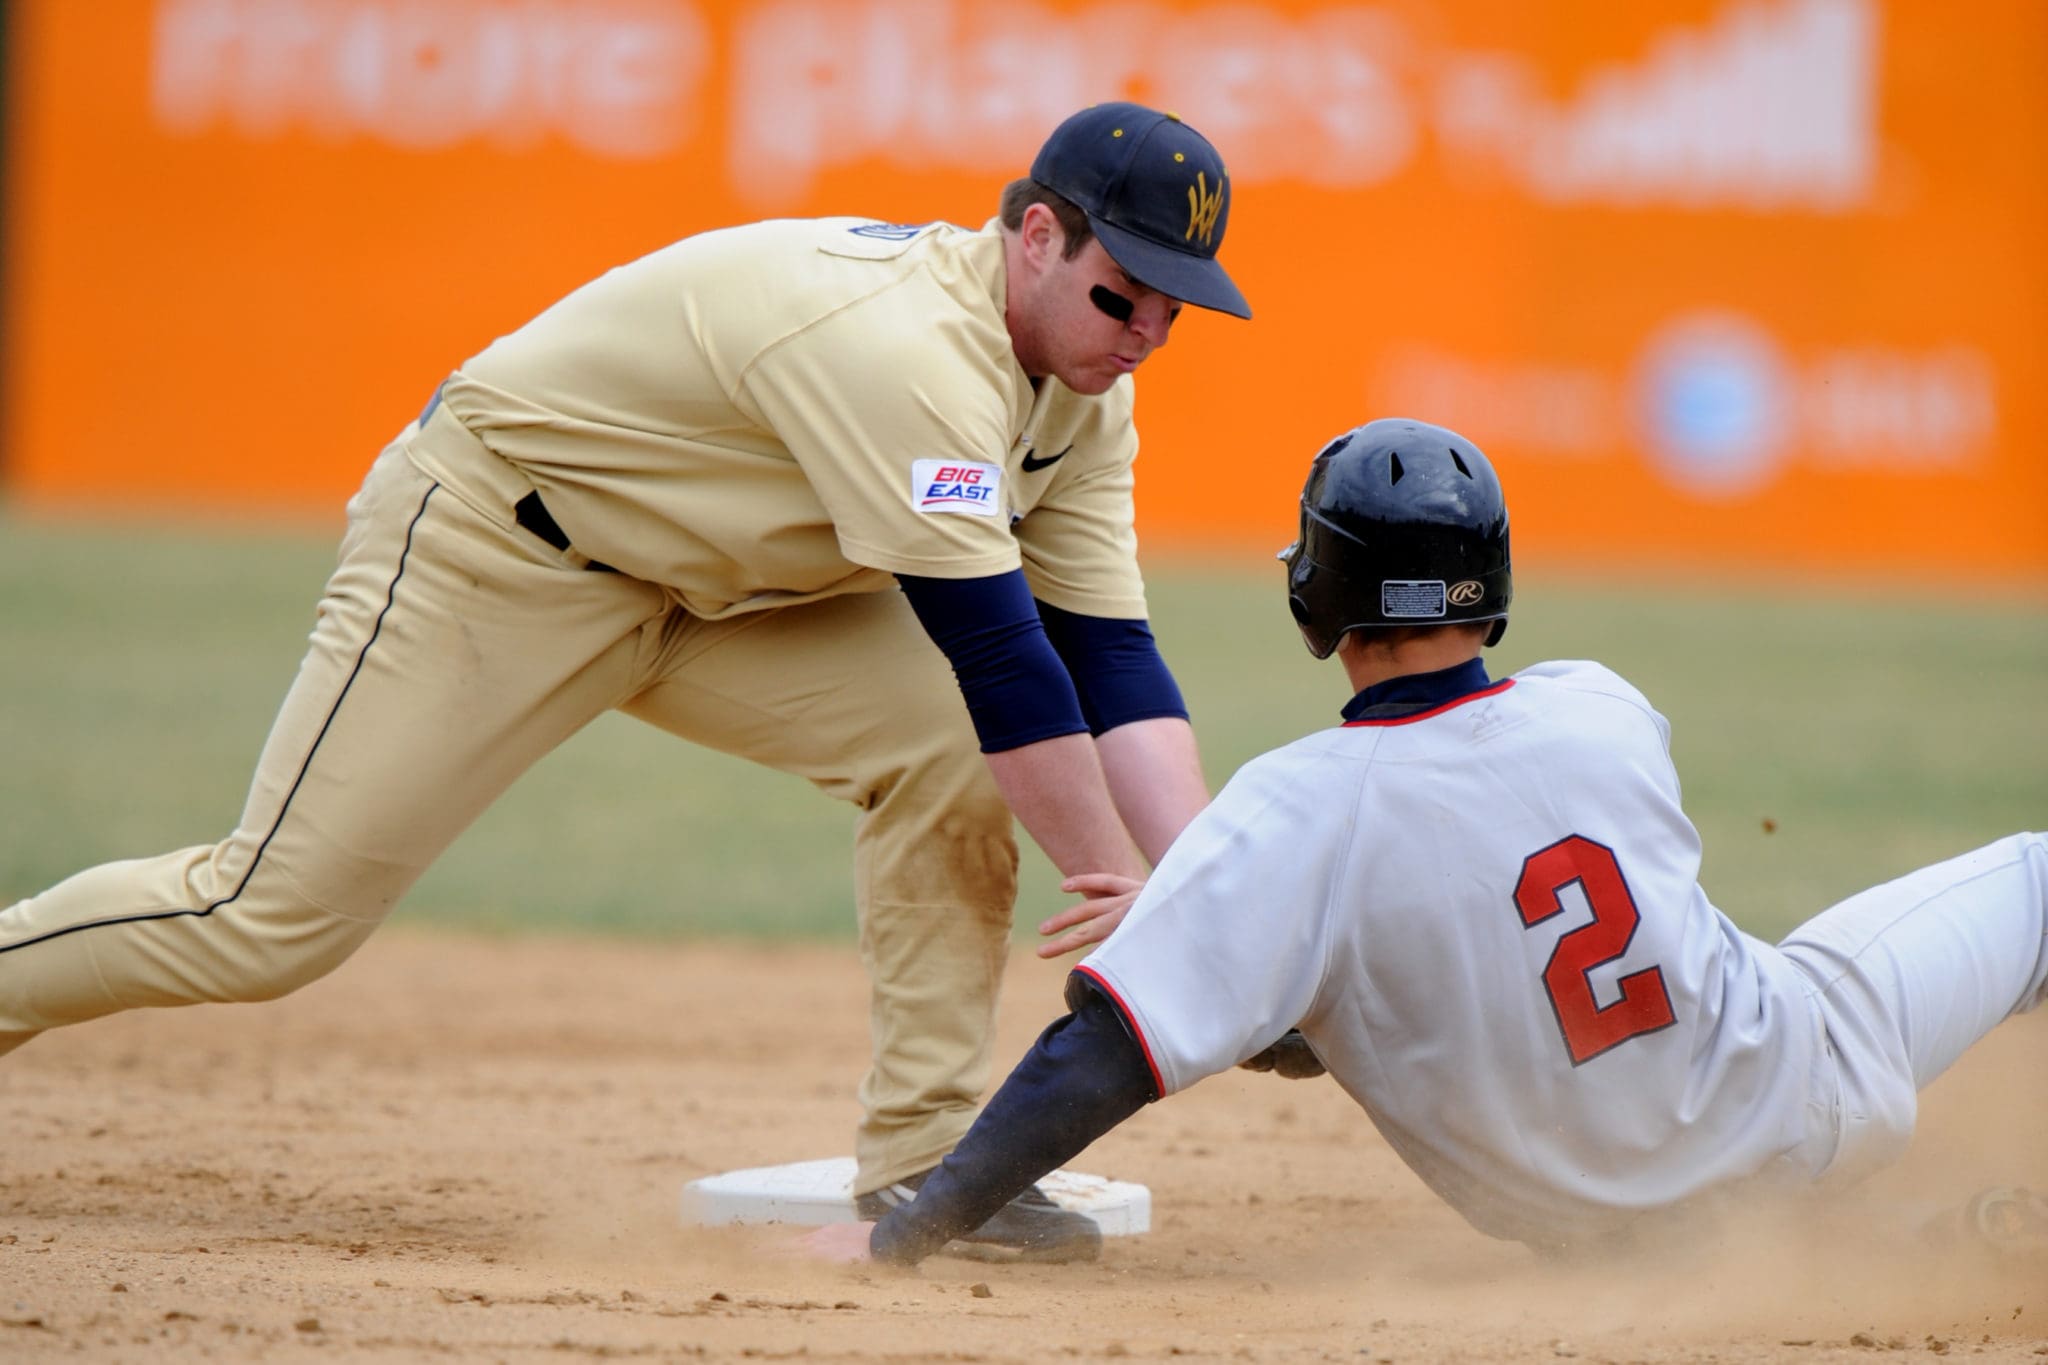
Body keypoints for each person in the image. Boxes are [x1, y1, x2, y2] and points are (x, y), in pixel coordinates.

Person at [0, 101, 1251, 1263]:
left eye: (1171, 314)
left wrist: (1199, 902)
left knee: (939, 747)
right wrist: (1134, 902)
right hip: (504, 549)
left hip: (717, 602)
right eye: (1121, 295)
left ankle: (925, 1163)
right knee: (268, 919)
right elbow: (1002, 661)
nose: (1144, 337)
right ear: (1037, 235)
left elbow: (1107, 657)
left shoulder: (1084, 402)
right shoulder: (908, 349)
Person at [800, 416, 2048, 1267]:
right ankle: (1900, 1236)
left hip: (1610, 1243)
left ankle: (1888, 1248)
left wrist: (914, 1228)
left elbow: (1111, 1055)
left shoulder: (1292, 816)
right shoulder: (1601, 706)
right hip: (1804, 1091)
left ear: (1319, 591)